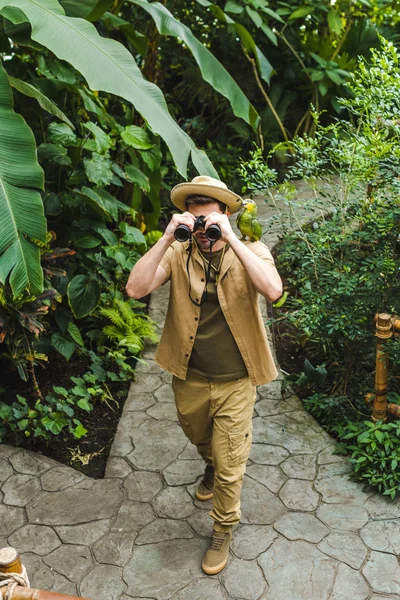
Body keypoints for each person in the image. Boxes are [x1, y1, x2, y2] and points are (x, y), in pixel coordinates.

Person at [126, 175, 282, 575]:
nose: (203, 232)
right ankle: (209, 463)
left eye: (210, 222)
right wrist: (166, 239)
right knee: (200, 437)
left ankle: (223, 528)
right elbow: (136, 289)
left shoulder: (251, 248)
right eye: (196, 223)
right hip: (190, 374)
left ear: (226, 216)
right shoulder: (179, 253)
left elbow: (273, 290)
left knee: (232, 465)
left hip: (235, 380)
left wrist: (230, 239)